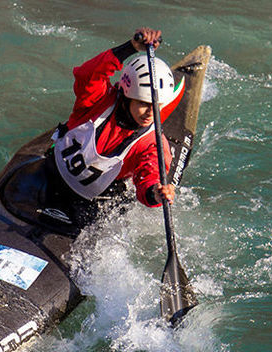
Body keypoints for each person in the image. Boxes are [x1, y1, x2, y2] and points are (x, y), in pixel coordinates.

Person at [45, 27, 183, 226]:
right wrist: (130, 48)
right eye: (143, 104)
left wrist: (155, 193)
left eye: (157, 106)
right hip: (53, 171)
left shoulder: (153, 143)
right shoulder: (96, 101)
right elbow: (87, 74)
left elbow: (148, 176)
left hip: (93, 200)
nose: (151, 113)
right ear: (127, 97)